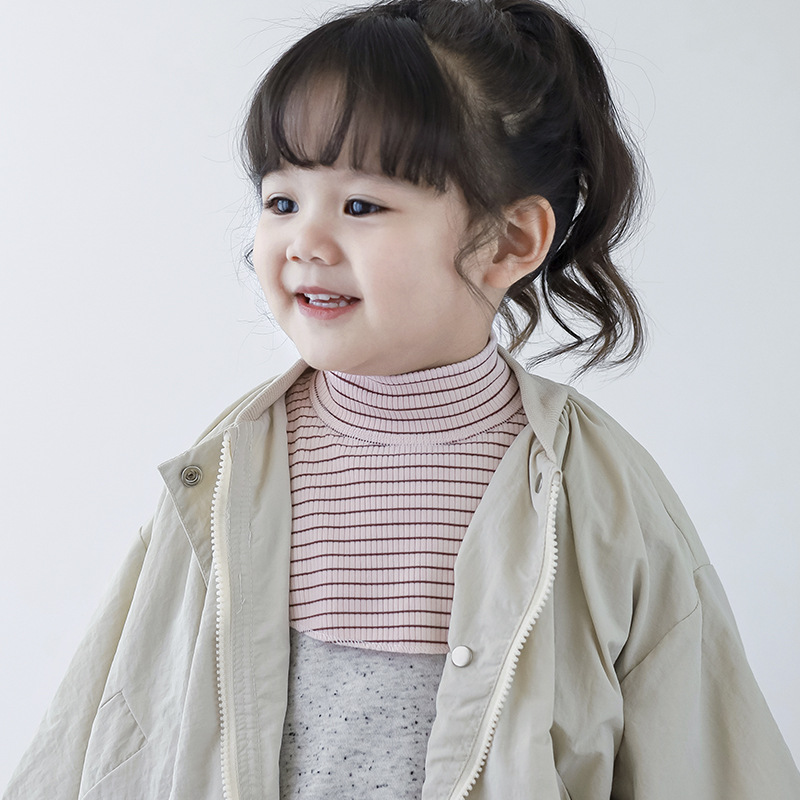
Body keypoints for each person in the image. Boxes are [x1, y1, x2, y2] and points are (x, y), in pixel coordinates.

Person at [4, 0, 799, 797]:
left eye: (361, 206)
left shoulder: (599, 494)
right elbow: (116, 726)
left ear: (508, 241)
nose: (305, 241)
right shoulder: (222, 474)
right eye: (282, 201)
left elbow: (707, 755)